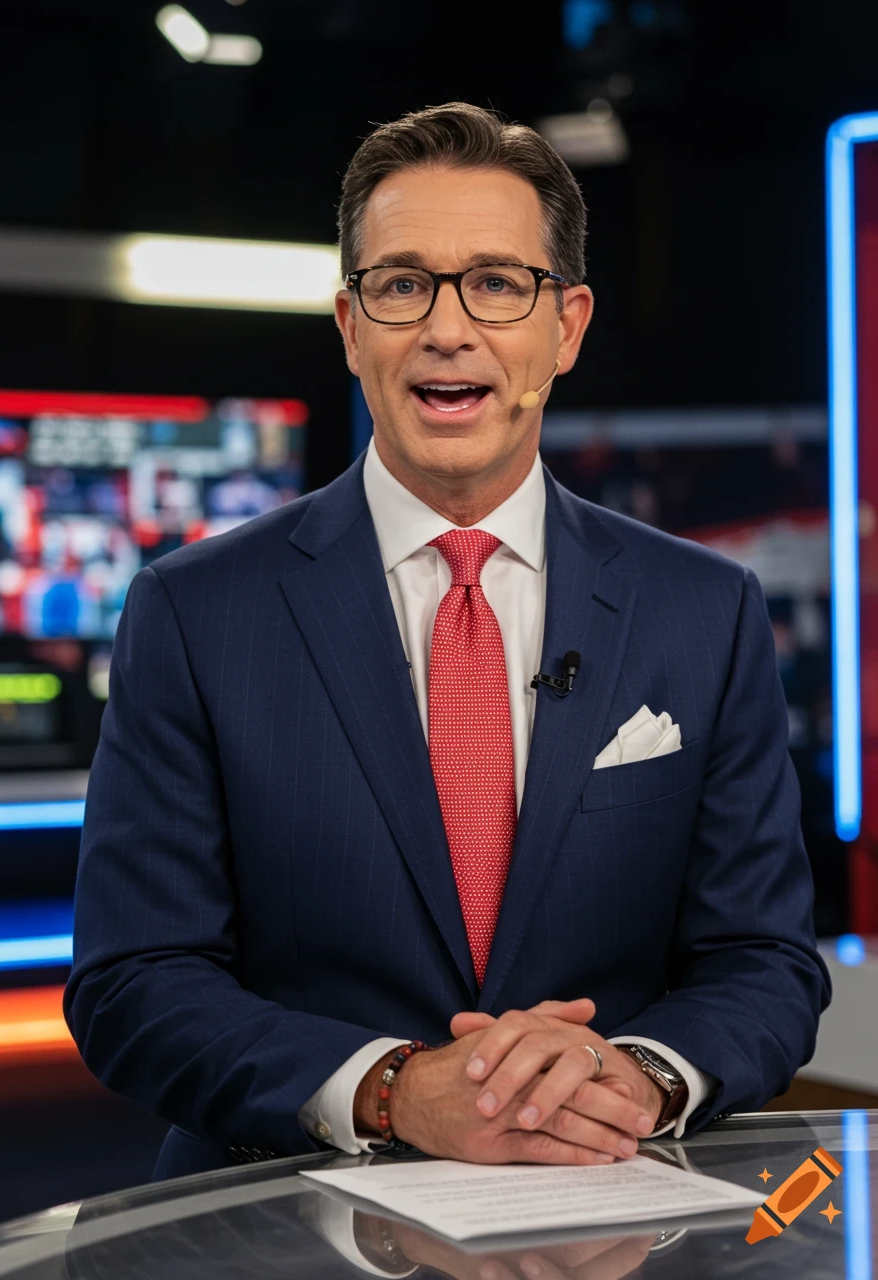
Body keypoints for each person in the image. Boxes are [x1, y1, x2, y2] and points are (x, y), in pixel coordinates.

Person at [65, 102, 830, 1181]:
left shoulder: (702, 609)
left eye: (496, 282)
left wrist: (643, 1074)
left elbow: (760, 960)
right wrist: (390, 1086)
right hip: (282, 1217)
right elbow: (132, 979)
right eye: (401, 283)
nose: (446, 327)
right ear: (348, 324)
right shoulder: (194, 611)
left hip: (603, 1215)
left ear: (564, 327)